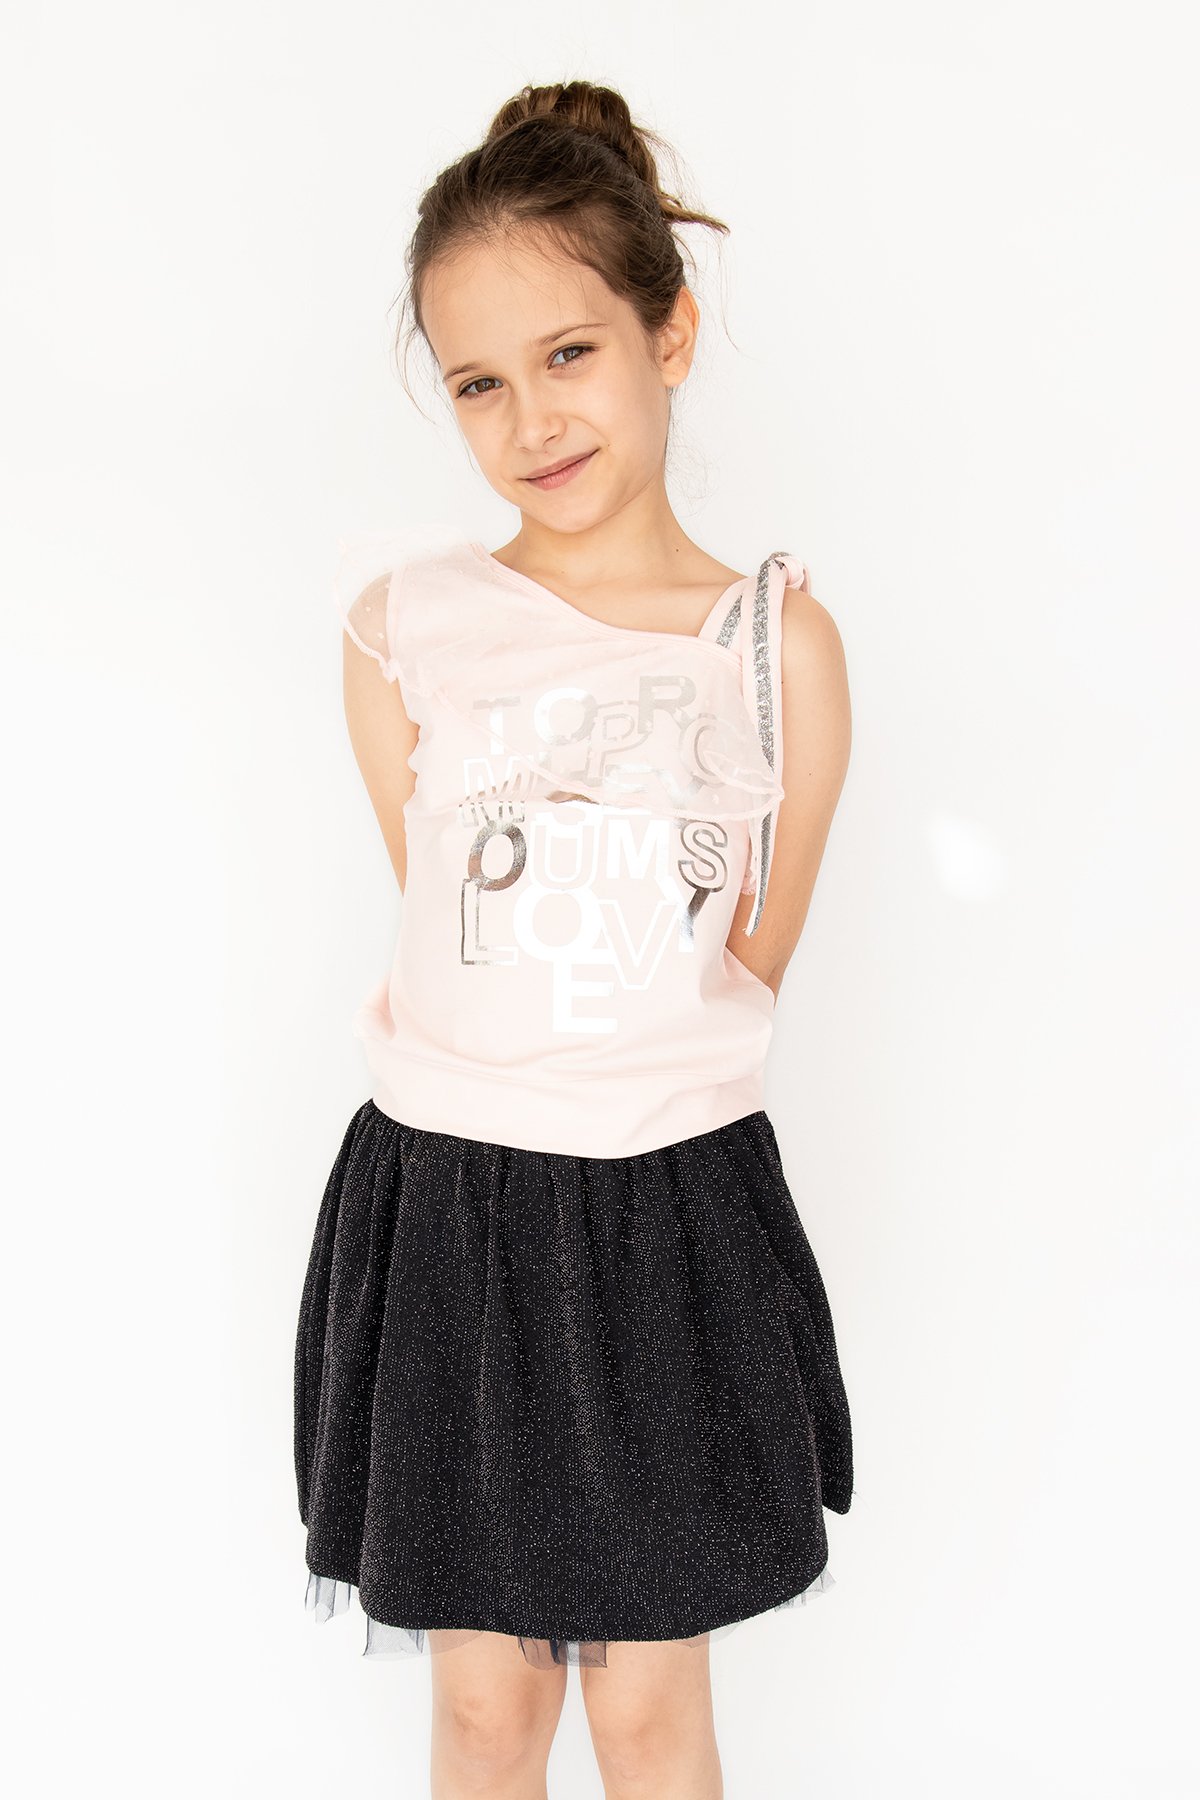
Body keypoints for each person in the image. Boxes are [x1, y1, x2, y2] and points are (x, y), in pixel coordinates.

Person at [294, 77, 855, 1800]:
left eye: (569, 354)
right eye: (478, 381)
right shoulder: (405, 630)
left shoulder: (771, 645)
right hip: (452, 1210)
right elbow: (448, 911)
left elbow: (742, 961)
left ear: (666, 335)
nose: (530, 417)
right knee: (483, 1711)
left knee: (646, 1708)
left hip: (659, 1219)